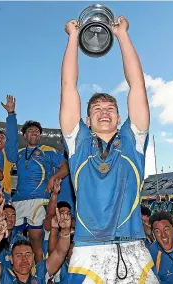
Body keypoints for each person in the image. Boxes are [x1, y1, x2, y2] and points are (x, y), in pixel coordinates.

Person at [60, 16, 159, 283]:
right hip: (88, 252)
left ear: (119, 118)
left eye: (111, 109)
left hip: (135, 249)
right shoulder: (78, 143)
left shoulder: (132, 140)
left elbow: (137, 85)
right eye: (97, 110)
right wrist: (72, 37)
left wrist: (122, 35)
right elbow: (69, 87)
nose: (104, 112)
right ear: (88, 122)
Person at [3, 94, 69, 263]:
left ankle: (40, 277)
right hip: (18, 201)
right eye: (30, 131)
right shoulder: (18, 153)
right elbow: (10, 145)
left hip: (40, 200)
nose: (34, 133)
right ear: (24, 135)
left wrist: (53, 177)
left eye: (37, 131)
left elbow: (66, 167)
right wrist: (11, 116)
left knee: (36, 242)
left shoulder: (47, 150)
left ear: (40, 136)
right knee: (10, 241)